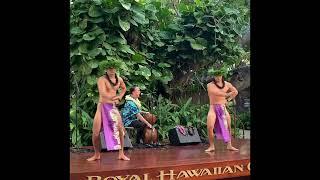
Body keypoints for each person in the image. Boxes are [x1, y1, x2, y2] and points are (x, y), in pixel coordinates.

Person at [87, 61, 130, 161]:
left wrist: (119, 97)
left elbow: (124, 88)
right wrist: (115, 97)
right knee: (96, 132)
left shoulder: (119, 79)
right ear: (106, 69)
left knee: (120, 129)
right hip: (102, 106)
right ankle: (97, 154)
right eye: (109, 69)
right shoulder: (102, 79)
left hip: (113, 107)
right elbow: (103, 93)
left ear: (116, 69)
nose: (111, 70)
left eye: (113, 69)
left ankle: (121, 153)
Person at [205, 67, 239, 152]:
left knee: (228, 126)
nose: (218, 77)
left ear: (222, 75)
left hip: (223, 108)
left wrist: (228, 100)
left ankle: (229, 145)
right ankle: (212, 146)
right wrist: (228, 94)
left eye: (219, 75)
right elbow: (217, 93)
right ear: (214, 76)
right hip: (213, 108)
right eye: (216, 75)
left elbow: (236, 92)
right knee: (210, 126)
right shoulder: (210, 85)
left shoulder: (227, 84)